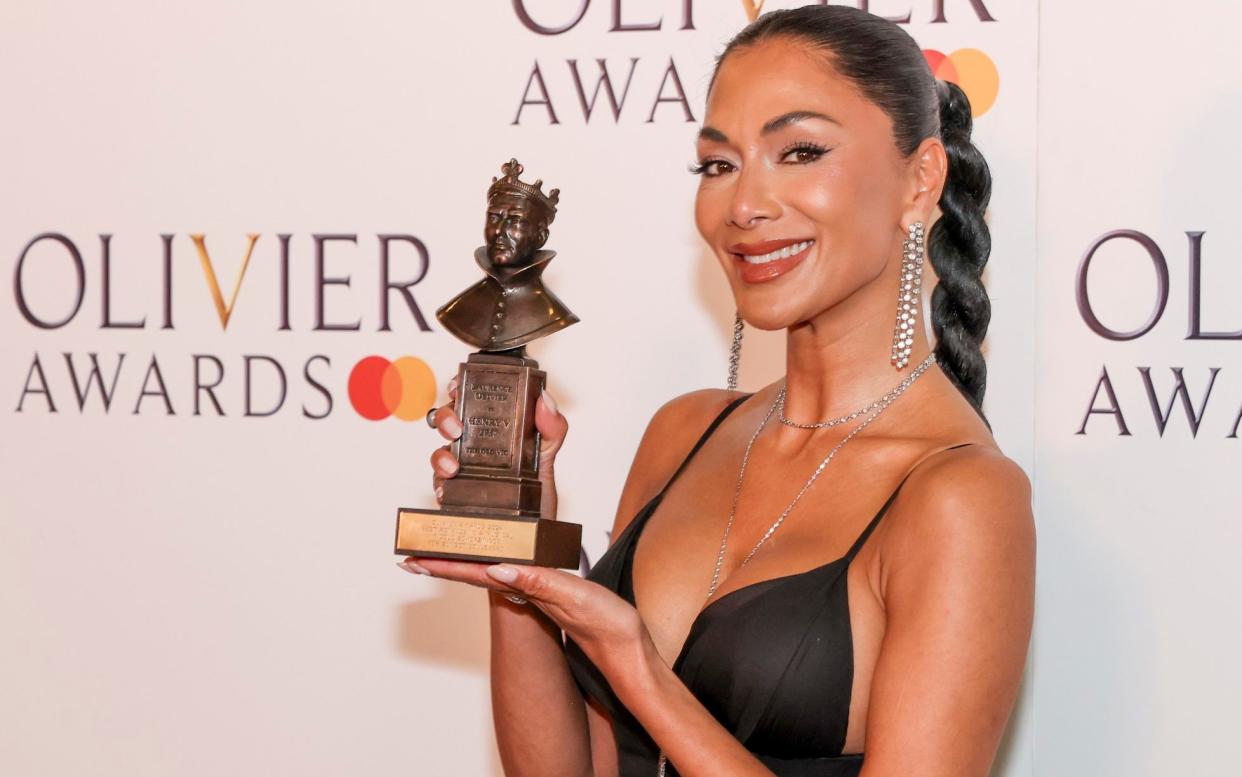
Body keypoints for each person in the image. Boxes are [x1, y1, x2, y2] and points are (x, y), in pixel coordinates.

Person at [399, 6, 1035, 776]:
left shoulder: (961, 495)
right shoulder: (684, 432)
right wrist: (518, 564)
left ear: (919, 179)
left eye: (800, 151)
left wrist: (634, 660)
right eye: (718, 164)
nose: (742, 206)